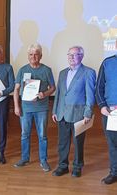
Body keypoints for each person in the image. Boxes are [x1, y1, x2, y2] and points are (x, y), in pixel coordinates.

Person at [52, 46, 96, 177]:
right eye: (69, 54)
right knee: (62, 143)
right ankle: (63, 166)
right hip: (62, 113)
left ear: (81, 56)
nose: (71, 57)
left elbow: (90, 95)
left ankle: (77, 167)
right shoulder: (62, 73)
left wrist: (88, 113)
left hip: (79, 115)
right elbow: (59, 94)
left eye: (75, 54)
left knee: (78, 143)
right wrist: (55, 111)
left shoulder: (88, 72)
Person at [13, 43, 55, 171]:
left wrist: (44, 94)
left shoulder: (47, 70)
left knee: (42, 135)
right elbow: (16, 90)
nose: (33, 56)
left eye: (36, 54)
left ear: (41, 56)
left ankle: (43, 160)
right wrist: (16, 106)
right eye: (31, 54)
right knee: (24, 134)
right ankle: (25, 158)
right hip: (26, 108)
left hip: (41, 108)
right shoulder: (22, 70)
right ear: (28, 56)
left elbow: (53, 88)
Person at [96, 54, 117, 184]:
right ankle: (114, 172)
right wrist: (102, 106)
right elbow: (99, 87)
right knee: (113, 145)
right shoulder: (107, 62)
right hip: (110, 113)